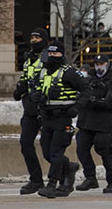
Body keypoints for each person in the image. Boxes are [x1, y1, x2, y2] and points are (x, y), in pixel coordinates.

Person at [32, 41, 89, 198]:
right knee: (47, 153)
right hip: (46, 117)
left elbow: (86, 89)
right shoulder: (43, 72)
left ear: (62, 55)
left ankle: (52, 183)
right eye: (50, 54)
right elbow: (36, 89)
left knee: (56, 152)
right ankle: (68, 168)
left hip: (63, 117)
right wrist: (36, 96)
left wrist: (76, 107)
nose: (52, 57)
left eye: (56, 54)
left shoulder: (69, 72)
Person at [75, 54, 112, 193]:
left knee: (105, 150)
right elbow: (81, 95)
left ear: (107, 64)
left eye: (102, 63)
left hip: (105, 123)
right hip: (87, 121)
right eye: (97, 63)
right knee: (82, 148)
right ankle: (90, 178)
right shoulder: (88, 79)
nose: (99, 66)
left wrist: (104, 102)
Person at [13, 28, 49, 195]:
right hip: (30, 109)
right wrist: (20, 88)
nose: (34, 40)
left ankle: (64, 172)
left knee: (48, 149)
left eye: (37, 37)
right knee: (25, 143)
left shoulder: (49, 57)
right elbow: (27, 78)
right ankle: (36, 179)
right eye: (32, 37)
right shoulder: (28, 59)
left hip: (46, 108)